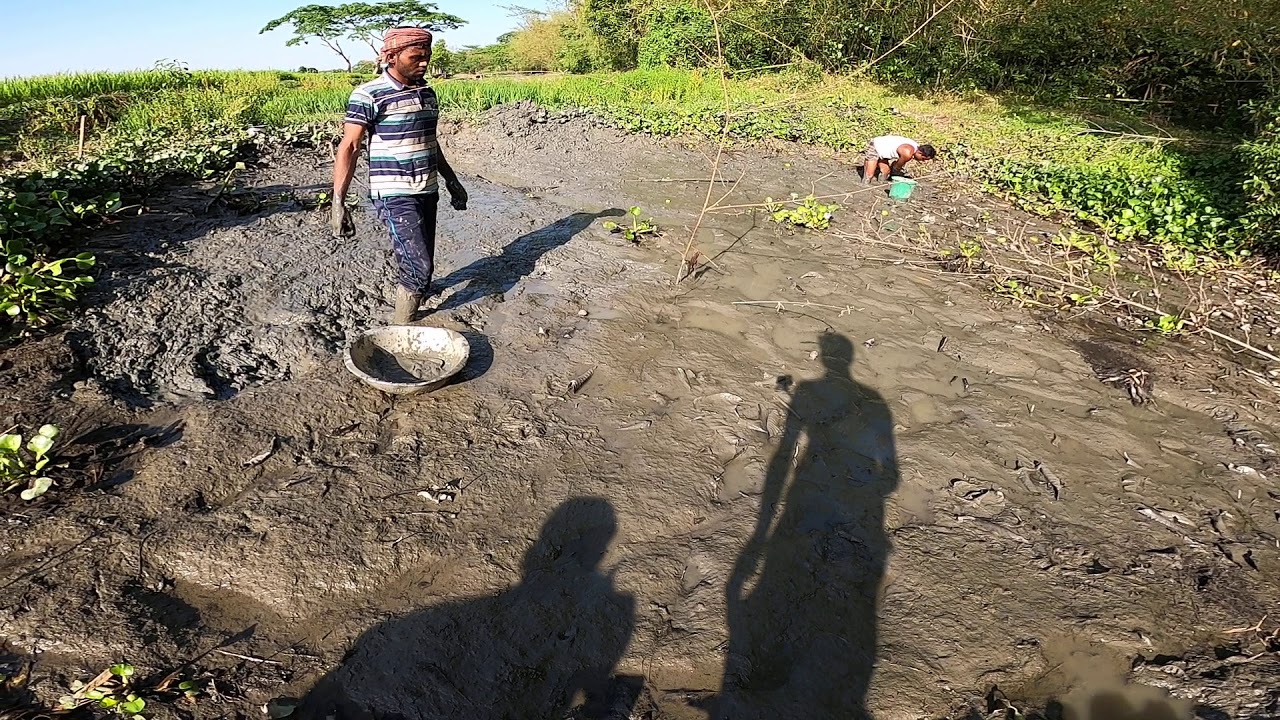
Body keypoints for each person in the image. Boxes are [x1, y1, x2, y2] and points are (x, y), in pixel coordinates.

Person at [331, 27, 469, 324]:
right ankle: (401, 327)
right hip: (393, 192)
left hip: (427, 188)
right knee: (419, 266)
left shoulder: (427, 93)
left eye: (427, 57)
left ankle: (415, 296)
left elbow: (430, 142)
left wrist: (451, 179)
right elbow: (350, 146)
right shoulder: (369, 94)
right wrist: (338, 201)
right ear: (391, 57)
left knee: (423, 258)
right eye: (416, 57)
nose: (424, 63)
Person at [860, 134, 936, 185]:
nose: (922, 161)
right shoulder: (908, 153)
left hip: (884, 152)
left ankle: (879, 185)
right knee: (868, 176)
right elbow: (896, 167)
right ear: (920, 152)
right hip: (876, 147)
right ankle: (863, 188)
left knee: (885, 172)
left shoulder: (915, 147)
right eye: (923, 159)